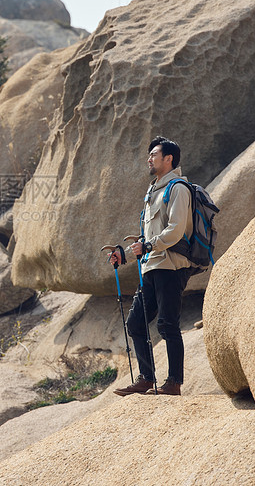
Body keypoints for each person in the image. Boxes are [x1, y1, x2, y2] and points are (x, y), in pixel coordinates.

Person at [108, 136, 193, 396]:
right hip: (151, 267)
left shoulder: (178, 188)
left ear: (169, 158)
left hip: (171, 266)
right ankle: (146, 379)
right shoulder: (152, 191)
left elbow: (175, 230)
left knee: (167, 325)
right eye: (150, 154)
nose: (149, 158)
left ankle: (173, 384)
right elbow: (149, 235)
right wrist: (126, 254)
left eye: (154, 154)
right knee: (135, 323)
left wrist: (147, 246)